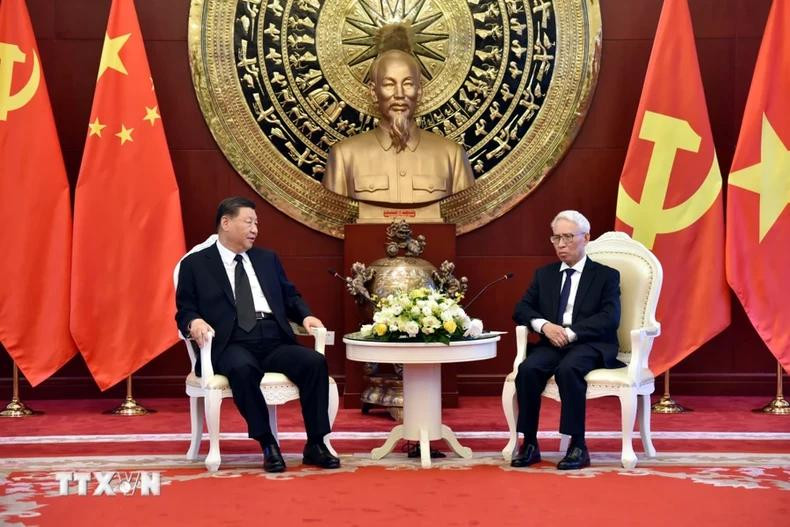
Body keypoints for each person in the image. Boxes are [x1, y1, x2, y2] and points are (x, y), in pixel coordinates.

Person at [175, 196, 339, 473]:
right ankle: (267, 443)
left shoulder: (266, 259)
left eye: (256, 223)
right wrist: (194, 322)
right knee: (242, 368)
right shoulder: (196, 264)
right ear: (226, 223)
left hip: (273, 337)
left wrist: (306, 315)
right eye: (248, 222)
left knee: (314, 363)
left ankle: (315, 443)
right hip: (230, 341)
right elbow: (185, 309)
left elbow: (290, 296)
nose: (255, 229)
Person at [511, 210, 621, 470]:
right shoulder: (544, 275)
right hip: (552, 342)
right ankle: (529, 443)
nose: (561, 245)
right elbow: (521, 309)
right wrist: (545, 326)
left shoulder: (606, 275)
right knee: (527, 370)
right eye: (556, 238)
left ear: (586, 238)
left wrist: (571, 333)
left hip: (588, 343)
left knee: (569, 369)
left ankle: (578, 445)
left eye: (568, 237)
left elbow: (609, 317)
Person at [322, 48, 474, 204]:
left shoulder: (452, 156)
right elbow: (334, 223)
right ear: (374, 92)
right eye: (389, 84)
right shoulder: (344, 156)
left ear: (419, 91)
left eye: (408, 84)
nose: (400, 94)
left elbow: (465, 221)